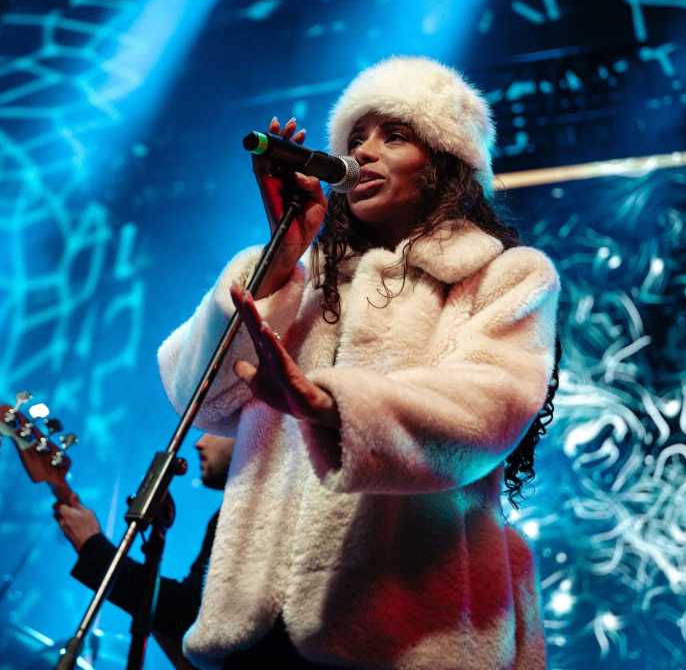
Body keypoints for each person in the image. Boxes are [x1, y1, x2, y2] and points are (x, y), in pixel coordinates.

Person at [157, 56, 560, 669]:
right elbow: (202, 400)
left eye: (393, 135)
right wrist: (279, 257)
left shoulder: (503, 275)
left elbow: (489, 405)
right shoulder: (306, 283)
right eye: (354, 140)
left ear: (447, 161)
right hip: (258, 633)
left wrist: (330, 404)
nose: (363, 153)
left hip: (405, 633)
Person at [53, 432, 236, 663]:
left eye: (216, 430)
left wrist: (92, 546)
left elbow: (192, 615)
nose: (198, 442)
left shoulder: (252, 514)